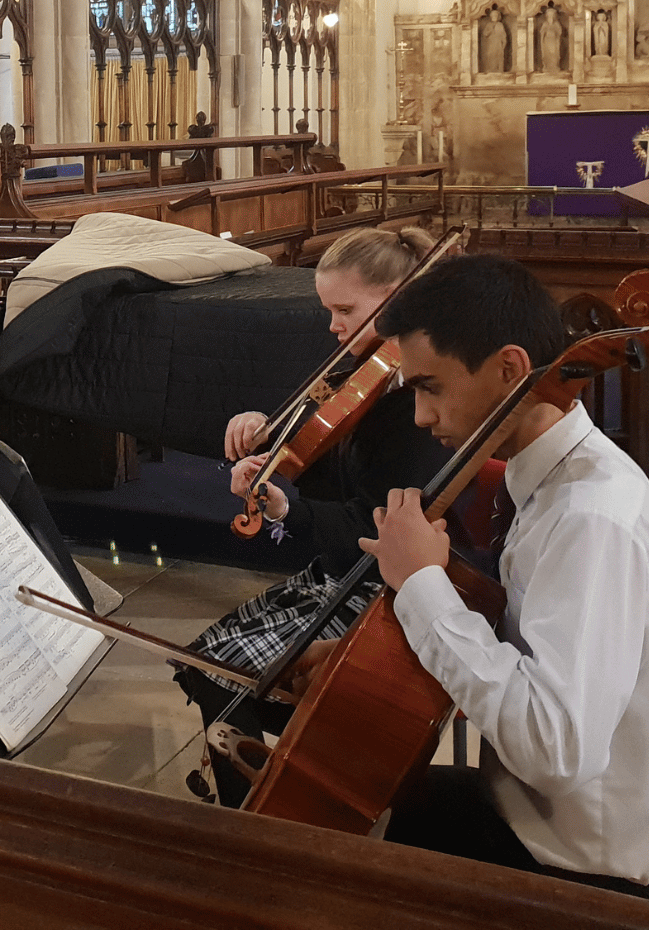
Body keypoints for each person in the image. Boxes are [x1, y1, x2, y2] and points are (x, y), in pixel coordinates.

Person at [348, 254, 649, 907]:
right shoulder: (546, 480)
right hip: (541, 819)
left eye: (430, 386)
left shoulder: (592, 520)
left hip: (599, 879)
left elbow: (555, 750)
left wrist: (422, 588)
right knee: (370, 808)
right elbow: (527, 655)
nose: (420, 417)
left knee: (340, 879)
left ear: (512, 370)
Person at [176, 227, 451, 808]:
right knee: (207, 655)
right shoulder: (366, 382)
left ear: (400, 298)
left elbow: (377, 527)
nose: (333, 326)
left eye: (345, 309)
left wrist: (288, 509)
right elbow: (325, 469)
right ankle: (264, 795)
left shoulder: (417, 406)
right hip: (344, 571)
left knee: (223, 673)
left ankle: (274, 810)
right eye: (328, 310)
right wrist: (264, 435)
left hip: (385, 585)